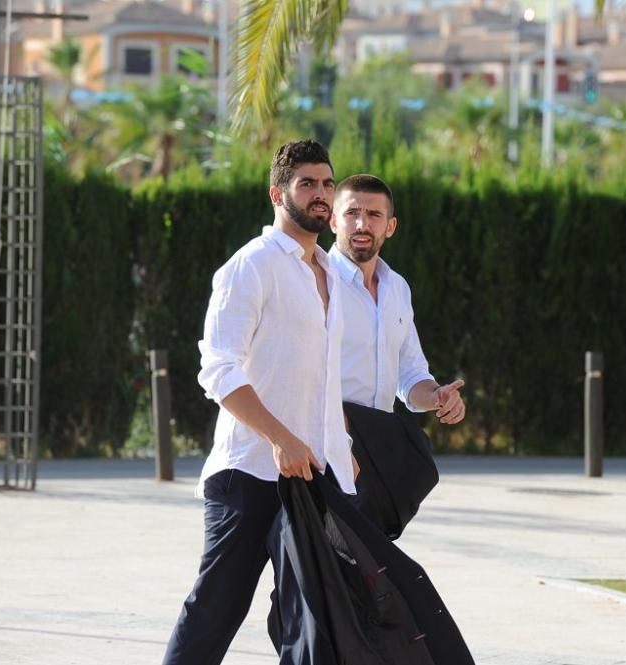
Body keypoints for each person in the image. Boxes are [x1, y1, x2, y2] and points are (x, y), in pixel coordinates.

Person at [161, 139, 356, 665]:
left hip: (317, 476)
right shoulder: (251, 266)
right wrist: (280, 438)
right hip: (249, 475)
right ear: (278, 193)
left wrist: (341, 440)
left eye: (327, 183)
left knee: (318, 616)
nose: (321, 194)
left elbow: (320, 373)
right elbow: (218, 369)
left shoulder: (333, 273)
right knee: (214, 614)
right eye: (307, 183)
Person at [328, 173, 466, 426]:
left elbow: (410, 374)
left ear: (390, 227)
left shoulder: (397, 288)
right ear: (333, 221)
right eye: (352, 213)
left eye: (374, 215)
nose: (362, 224)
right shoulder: (316, 281)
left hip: (378, 440)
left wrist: (438, 396)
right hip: (324, 444)